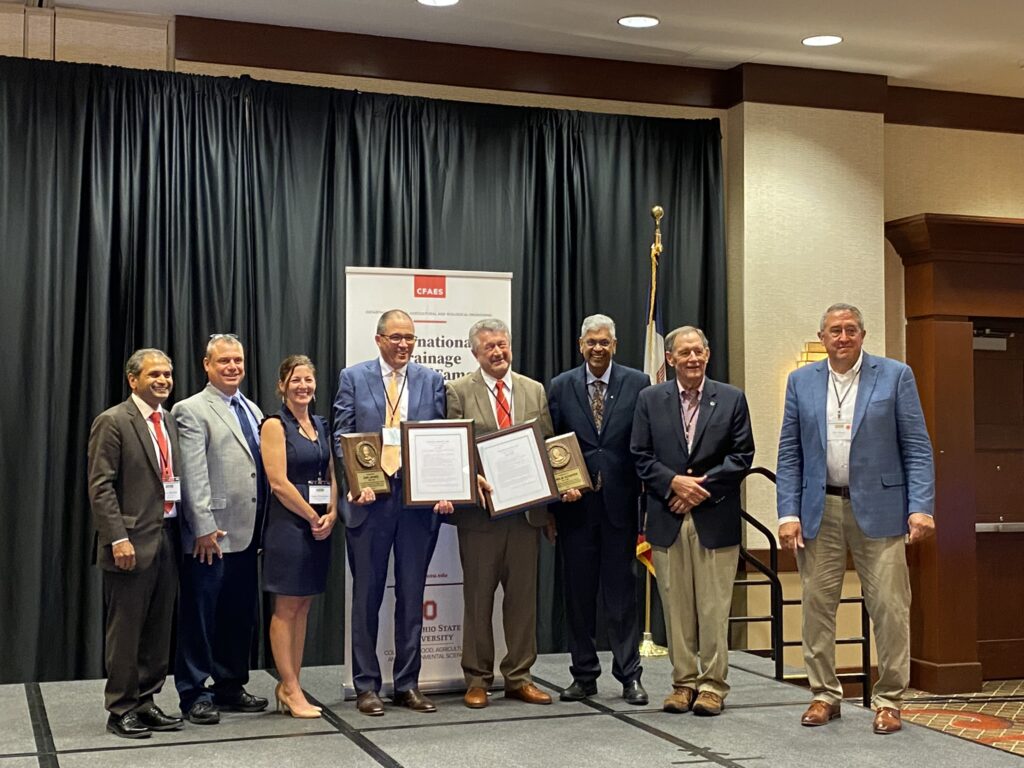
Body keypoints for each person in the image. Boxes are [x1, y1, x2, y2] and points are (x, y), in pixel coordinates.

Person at [776, 303, 935, 734]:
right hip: (818, 510)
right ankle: (825, 694)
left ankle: (889, 700)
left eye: (850, 330)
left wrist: (921, 506)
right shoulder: (800, 381)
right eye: (834, 331)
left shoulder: (895, 375)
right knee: (816, 608)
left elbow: (917, 448)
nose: (842, 337)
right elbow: (789, 453)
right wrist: (787, 512)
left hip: (882, 510)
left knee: (889, 607)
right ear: (822, 337)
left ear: (863, 335)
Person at [332, 309, 452, 716]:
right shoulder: (354, 377)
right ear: (379, 338)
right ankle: (367, 686)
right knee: (366, 596)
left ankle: (407, 684)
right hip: (371, 502)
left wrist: (444, 486)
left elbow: (440, 438)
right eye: (396, 337)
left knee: (412, 594)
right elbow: (341, 434)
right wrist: (353, 482)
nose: (404, 344)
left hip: (416, 506)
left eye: (410, 338)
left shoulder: (431, 380)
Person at [630, 326, 754, 717]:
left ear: (708, 353)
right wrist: (674, 484)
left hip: (714, 517)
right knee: (677, 607)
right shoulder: (650, 399)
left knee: (714, 608)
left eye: (698, 351)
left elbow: (742, 454)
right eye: (684, 353)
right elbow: (640, 455)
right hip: (668, 518)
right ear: (670, 359)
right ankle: (683, 684)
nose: (693, 359)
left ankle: (713, 686)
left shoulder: (732, 398)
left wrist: (701, 488)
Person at [446, 318, 555, 709]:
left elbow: (546, 447)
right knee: (478, 601)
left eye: (503, 344)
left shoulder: (533, 389)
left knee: (523, 601)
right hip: (481, 518)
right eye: (489, 346)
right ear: (475, 353)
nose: (498, 352)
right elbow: (453, 449)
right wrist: (470, 477)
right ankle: (477, 679)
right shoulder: (458, 391)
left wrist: (553, 503)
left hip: (527, 516)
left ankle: (519, 676)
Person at [547, 314, 649, 705]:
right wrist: (557, 496)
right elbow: (551, 445)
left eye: (604, 342)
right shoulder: (560, 386)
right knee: (579, 596)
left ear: (615, 345)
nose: (597, 348)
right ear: (580, 345)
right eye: (591, 342)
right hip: (575, 511)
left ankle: (629, 677)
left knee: (623, 596)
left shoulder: (638, 383)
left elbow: (645, 440)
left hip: (622, 508)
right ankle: (584, 675)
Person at [172, 334, 268, 725]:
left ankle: (229, 685)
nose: (233, 367)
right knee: (200, 616)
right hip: (210, 536)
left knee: (238, 615)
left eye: (238, 361)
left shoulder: (253, 409)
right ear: (207, 365)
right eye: (224, 361)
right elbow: (192, 474)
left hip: (248, 533)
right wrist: (202, 528)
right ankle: (193, 692)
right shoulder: (191, 410)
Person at [88, 349, 184, 738]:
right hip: (129, 543)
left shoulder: (169, 422)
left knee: (158, 629)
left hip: (167, 537)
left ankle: (146, 700)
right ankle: (121, 708)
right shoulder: (113, 421)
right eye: (154, 375)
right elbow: (100, 486)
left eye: (167, 374)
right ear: (133, 380)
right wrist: (117, 538)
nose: (162, 380)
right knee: (126, 631)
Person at [261, 355, 338, 719]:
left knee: (304, 605)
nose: (303, 386)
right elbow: (278, 482)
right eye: (295, 380)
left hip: (319, 525)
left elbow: (334, 472)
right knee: (286, 607)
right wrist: (311, 516)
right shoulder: (274, 425)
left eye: (308, 379)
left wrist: (332, 512)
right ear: (282, 385)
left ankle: (293, 681)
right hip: (289, 526)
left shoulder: (321, 424)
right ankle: (289, 688)